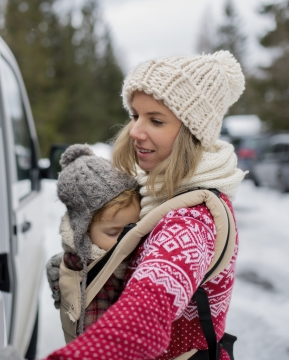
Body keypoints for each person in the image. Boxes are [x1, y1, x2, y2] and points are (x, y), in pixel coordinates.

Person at [45, 51, 246, 360]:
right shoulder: (155, 190)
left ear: (192, 133)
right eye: (135, 115)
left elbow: (143, 317)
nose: (136, 131)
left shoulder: (191, 221)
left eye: (155, 120)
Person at [53, 144, 139, 341]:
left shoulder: (108, 257)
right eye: (113, 232)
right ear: (83, 233)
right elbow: (98, 344)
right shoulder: (95, 282)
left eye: (133, 227)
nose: (126, 239)